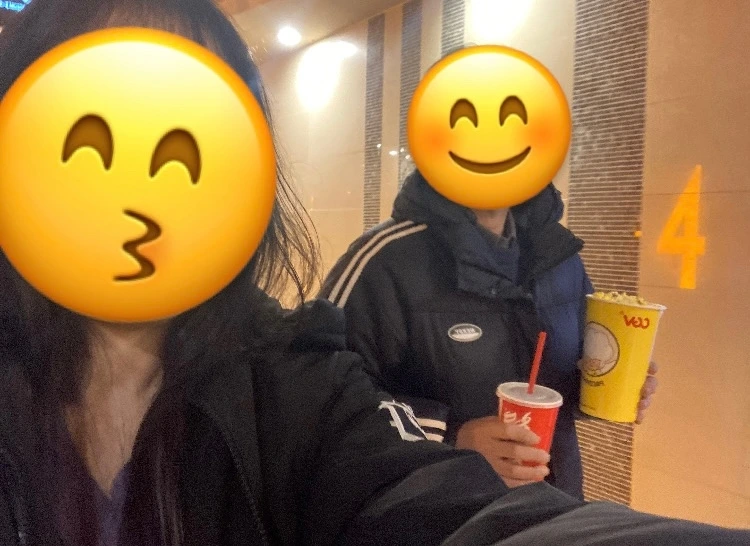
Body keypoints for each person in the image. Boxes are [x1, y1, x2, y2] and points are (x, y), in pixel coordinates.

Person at [1, 2, 748, 545]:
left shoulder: (560, 261)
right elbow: (372, 391)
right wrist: (456, 433)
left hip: (548, 486)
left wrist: (603, 384)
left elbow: (426, 491)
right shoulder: (384, 260)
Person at [321, 168, 657, 498]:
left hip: (555, 507)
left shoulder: (558, 254)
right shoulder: (384, 260)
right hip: (439, 513)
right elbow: (321, 398)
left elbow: (560, 376)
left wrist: (605, 383)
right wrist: (450, 437)